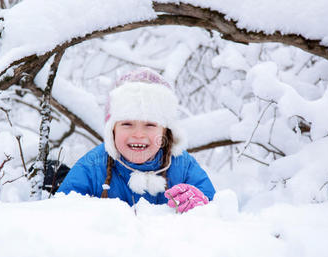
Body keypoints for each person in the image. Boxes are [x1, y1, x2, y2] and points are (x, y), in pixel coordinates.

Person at [57, 67, 215, 213]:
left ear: (165, 131)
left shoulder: (183, 166)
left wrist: (201, 206)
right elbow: (62, 210)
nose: (139, 134)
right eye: (127, 124)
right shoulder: (92, 166)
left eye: (150, 124)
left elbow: (216, 211)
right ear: (112, 130)